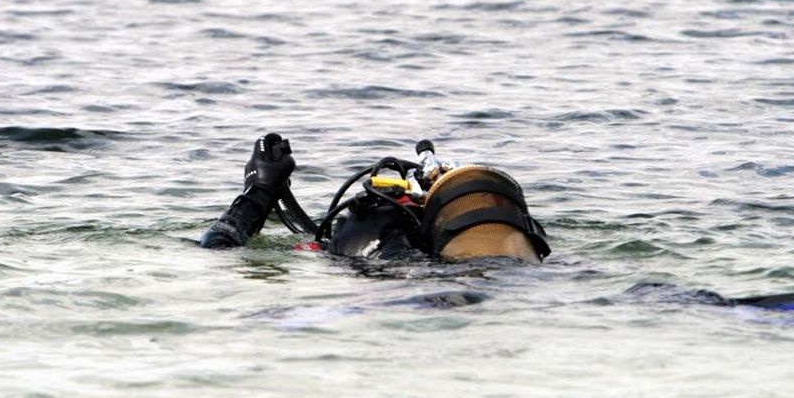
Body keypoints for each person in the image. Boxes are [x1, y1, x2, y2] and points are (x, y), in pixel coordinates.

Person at [200, 133, 550, 262]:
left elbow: (219, 247)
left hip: (400, 291)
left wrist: (259, 192)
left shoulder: (369, 229)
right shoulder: (521, 247)